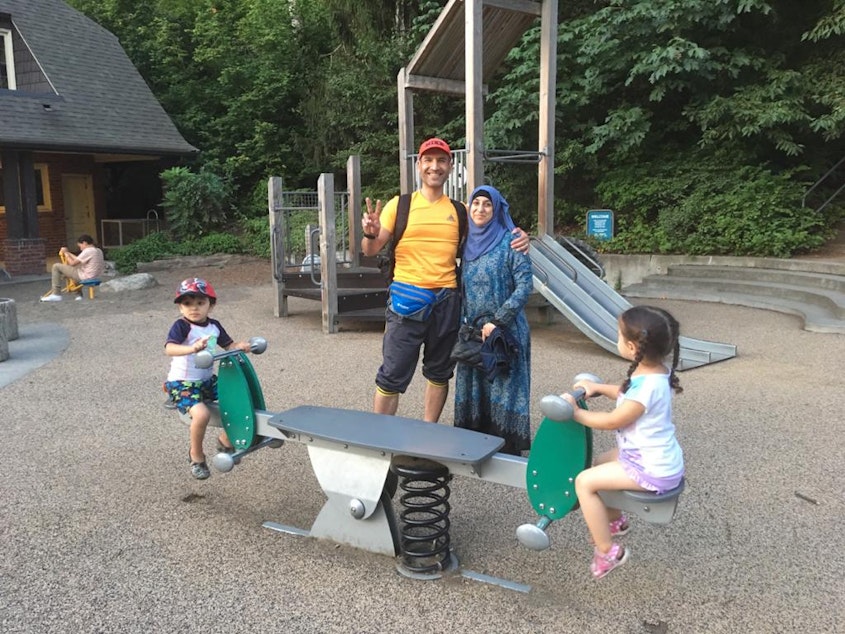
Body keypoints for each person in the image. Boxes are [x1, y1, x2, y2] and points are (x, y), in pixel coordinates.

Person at [360, 137, 529, 422]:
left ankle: (429, 435)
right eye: (428, 160)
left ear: (450, 166)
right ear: (419, 165)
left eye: (441, 161)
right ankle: (379, 439)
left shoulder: (460, 210)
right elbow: (371, 250)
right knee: (392, 375)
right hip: (406, 301)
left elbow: (495, 233)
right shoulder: (399, 206)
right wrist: (370, 232)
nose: (434, 167)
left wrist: (523, 238)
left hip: (447, 302)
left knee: (440, 373)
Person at [561, 305, 685, 579]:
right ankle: (614, 520)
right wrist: (596, 388)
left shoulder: (647, 388)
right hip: (650, 455)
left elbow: (613, 421)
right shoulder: (654, 373)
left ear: (631, 346)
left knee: (585, 481)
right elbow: (623, 392)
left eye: (618, 335)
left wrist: (576, 412)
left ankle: (607, 552)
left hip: (652, 468)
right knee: (601, 463)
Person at [453, 186, 533, 454]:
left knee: (504, 384)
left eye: (487, 204)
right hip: (473, 331)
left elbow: (525, 286)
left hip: (504, 330)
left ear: (497, 208)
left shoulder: (511, 242)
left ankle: (506, 443)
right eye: (476, 203)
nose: (480, 209)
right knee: (474, 383)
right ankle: (475, 440)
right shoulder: (465, 244)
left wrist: (498, 321)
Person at [164, 278, 253, 480]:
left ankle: (225, 440)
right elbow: (169, 348)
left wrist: (242, 346)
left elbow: (229, 346)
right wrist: (191, 348)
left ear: (211, 305)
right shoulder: (182, 326)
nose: (193, 308)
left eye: (200, 303)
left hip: (205, 380)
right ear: (180, 307)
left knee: (240, 399)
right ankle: (196, 456)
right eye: (187, 303)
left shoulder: (214, 326)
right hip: (182, 383)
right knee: (202, 415)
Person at [40, 234, 105, 302]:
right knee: (76, 271)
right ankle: (78, 295)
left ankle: (56, 294)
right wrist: (68, 253)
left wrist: (66, 254)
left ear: (84, 243)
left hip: (86, 276)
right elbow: (78, 259)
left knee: (56, 266)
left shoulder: (88, 251)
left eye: (80, 246)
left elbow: (72, 263)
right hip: (95, 276)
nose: (80, 249)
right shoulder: (98, 250)